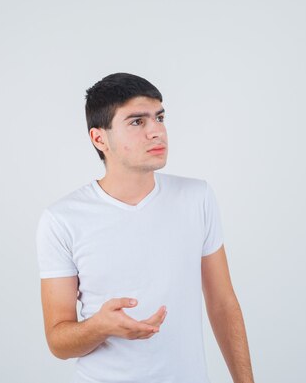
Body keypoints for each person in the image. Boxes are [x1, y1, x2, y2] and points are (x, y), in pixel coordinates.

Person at [35, 72, 255, 383]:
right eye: (137, 122)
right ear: (99, 138)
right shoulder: (62, 219)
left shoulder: (197, 197)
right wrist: (102, 325)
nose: (157, 132)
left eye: (160, 117)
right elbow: (58, 341)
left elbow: (223, 304)